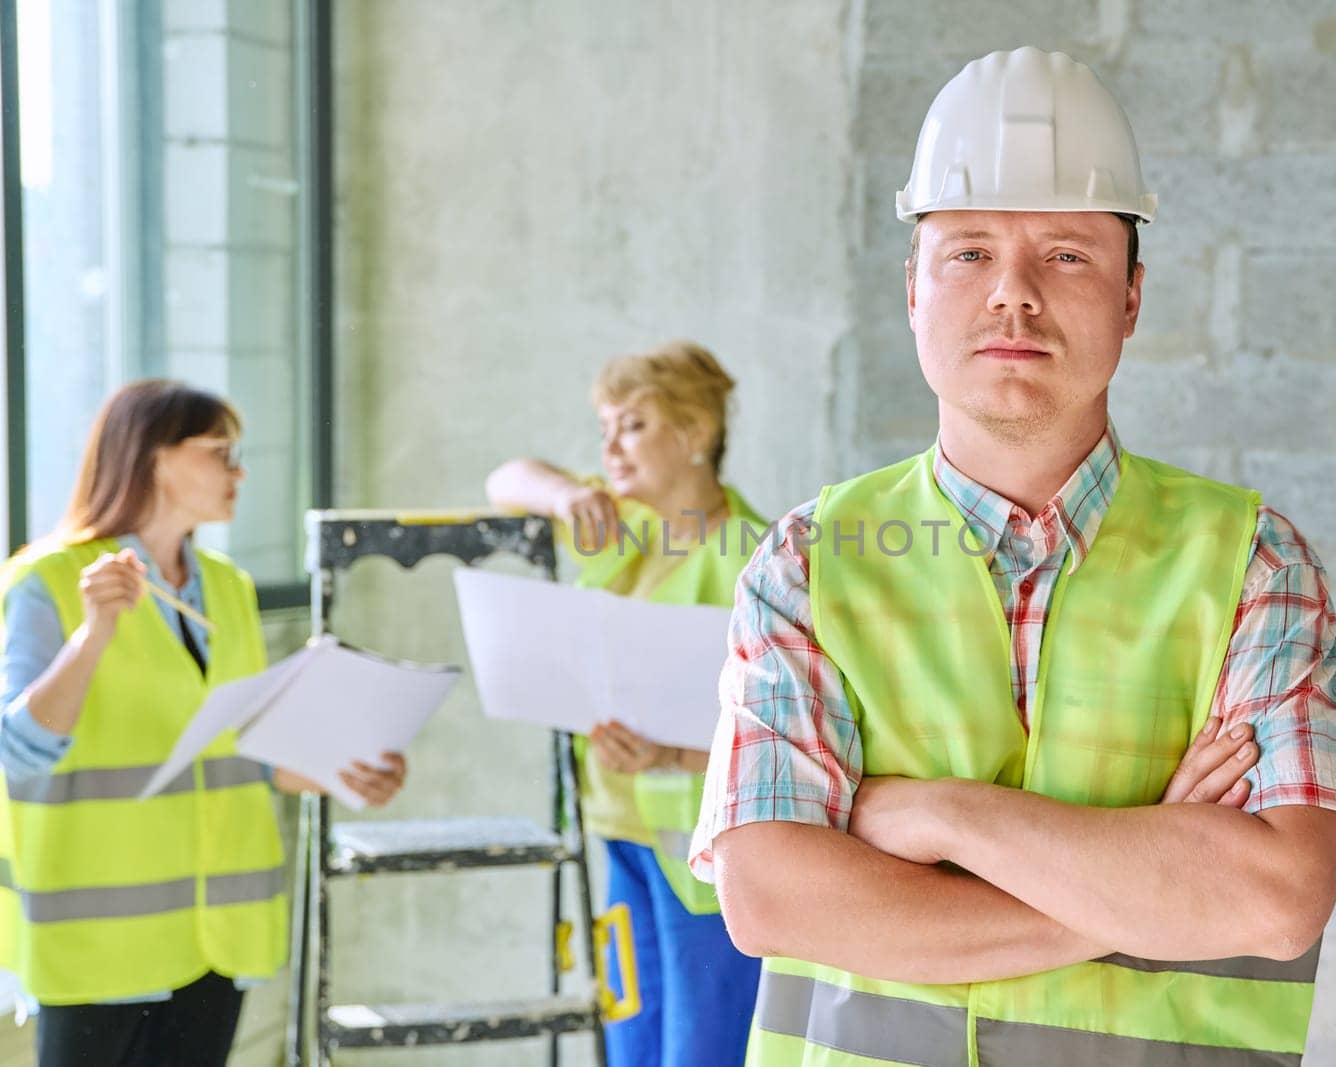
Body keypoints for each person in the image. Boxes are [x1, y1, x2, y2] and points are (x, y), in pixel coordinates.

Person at [690, 47, 1336, 1065]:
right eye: (966, 252)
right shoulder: (806, 567)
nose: (1013, 294)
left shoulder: (1252, 566)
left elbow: (1273, 900)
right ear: (911, 288)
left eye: (1066, 254)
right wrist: (1144, 887)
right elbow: (770, 894)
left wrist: (937, 814)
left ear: (1132, 297)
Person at [0, 379, 408, 1067]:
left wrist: (347, 770)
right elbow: (20, 750)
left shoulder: (228, 587)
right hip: (98, 946)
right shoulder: (51, 581)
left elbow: (240, 753)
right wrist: (95, 631)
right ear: (154, 456)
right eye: (222, 451)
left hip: (219, 938)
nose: (239, 471)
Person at [486, 340, 766, 1067]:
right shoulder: (622, 523)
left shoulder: (756, 560)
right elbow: (504, 479)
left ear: (696, 432)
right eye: (604, 425)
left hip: (708, 869)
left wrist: (670, 752)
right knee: (631, 1050)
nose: (610, 445)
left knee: (700, 1055)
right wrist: (563, 496)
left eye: (632, 424)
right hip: (621, 841)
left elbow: (785, 744)